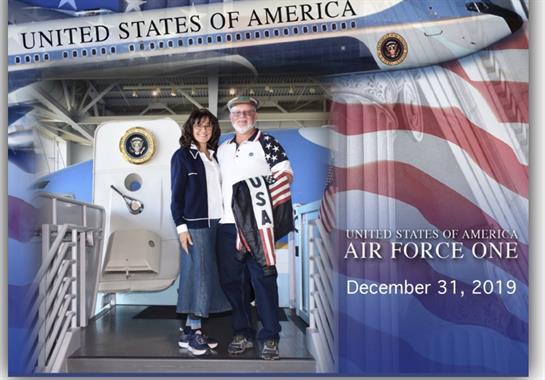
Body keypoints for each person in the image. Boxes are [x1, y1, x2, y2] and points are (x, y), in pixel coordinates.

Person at [216, 96, 294, 360]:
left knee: (263, 279)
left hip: (257, 226)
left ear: (255, 115)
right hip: (226, 225)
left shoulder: (267, 143)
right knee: (232, 283)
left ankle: (270, 335)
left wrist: (257, 195)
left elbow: (285, 174)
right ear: (230, 117)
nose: (242, 116)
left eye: (247, 112)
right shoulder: (223, 148)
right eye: (237, 112)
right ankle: (242, 331)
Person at [170, 109, 230, 356]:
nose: (203, 130)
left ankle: (187, 331)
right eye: (198, 126)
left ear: (213, 130)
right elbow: (176, 197)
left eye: (207, 126)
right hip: (195, 225)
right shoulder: (182, 156)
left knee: (203, 275)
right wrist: (181, 228)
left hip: (217, 223)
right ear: (190, 130)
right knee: (200, 276)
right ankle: (196, 332)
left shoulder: (215, 158)